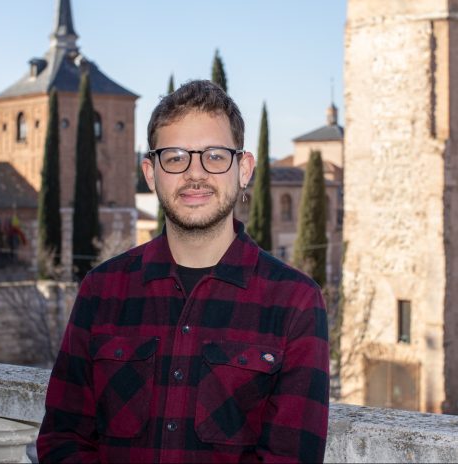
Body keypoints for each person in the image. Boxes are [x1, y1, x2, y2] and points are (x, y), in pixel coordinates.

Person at [37, 80, 329, 463]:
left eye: (214, 156)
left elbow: (291, 457)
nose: (195, 173)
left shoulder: (296, 303)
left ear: (243, 169)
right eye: (175, 157)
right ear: (151, 173)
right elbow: (63, 438)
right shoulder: (102, 290)